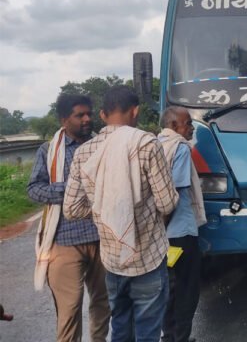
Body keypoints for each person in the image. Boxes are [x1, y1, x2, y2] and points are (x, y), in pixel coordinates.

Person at [63, 86, 179, 342]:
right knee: (148, 331)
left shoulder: (84, 152)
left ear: (103, 115)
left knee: (121, 325)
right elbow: (167, 203)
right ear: (135, 111)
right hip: (148, 258)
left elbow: (71, 209)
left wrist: (104, 209)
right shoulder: (146, 143)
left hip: (113, 261)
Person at [27, 94, 110, 342]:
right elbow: (34, 189)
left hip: (101, 238)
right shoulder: (49, 151)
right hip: (64, 241)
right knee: (70, 308)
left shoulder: (101, 146)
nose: (87, 119)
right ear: (64, 120)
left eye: (89, 113)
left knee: (103, 303)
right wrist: (70, 190)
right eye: (80, 115)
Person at [157, 107, 206, 342]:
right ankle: (181, 338)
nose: (191, 127)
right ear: (174, 125)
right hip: (180, 234)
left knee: (170, 288)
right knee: (187, 290)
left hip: (163, 236)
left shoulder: (155, 144)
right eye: (187, 123)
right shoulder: (180, 148)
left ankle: (169, 337)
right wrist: (164, 226)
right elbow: (174, 193)